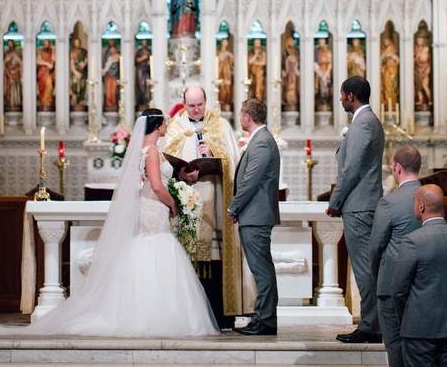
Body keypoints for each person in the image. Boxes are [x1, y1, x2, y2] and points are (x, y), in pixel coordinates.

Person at [23, 109, 219, 337]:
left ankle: (139, 312)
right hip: (154, 208)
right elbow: (156, 186)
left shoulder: (140, 151)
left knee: (145, 252)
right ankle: (155, 316)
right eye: (164, 123)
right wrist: (173, 203)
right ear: (158, 126)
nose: (166, 126)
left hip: (147, 207)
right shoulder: (152, 151)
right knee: (157, 252)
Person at [163, 85, 255, 329]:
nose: (195, 110)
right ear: (183, 103)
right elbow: (165, 161)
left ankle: (220, 315)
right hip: (186, 201)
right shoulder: (174, 126)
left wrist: (214, 153)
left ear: (206, 101)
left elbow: (234, 160)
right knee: (189, 259)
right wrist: (182, 170)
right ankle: (188, 316)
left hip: (214, 200)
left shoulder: (220, 125)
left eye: (199, 105)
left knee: (215, 257)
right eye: (191, 105)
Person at [327, 75, 384, 344]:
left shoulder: (363, 123)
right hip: (362, 204)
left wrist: (335, 201)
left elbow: (352, 168)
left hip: (360, 206)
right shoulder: (365, 121)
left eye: (341, 94)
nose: (339, 99)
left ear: (351, 96)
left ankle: (372, 326)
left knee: (364, 268)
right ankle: (375, 324)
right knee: (366, 267)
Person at [392, 184, 447, 367]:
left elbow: (398, 289)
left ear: (421, 207)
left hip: (418, 329)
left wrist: (406, 319)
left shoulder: (412, 240)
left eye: (414, 203)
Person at [226, 98, 280, 336]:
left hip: (256, 216)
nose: (240, 118)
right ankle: (261, 316)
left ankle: (266, 320)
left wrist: (233, 208)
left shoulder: (261, 143)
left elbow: (250, 181)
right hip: (254, 215)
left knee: (262, 269)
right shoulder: (260, 140)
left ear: (247, 117)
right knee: (260, 269)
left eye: (241, 114)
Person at [369, 146, 422, 367]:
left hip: (391, 283)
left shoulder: (389, 202)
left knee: (395, 344)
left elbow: (375, 247)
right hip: (421, 284)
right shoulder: (431, 197)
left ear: (397, 168)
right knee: (418, 345)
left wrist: (378, 276)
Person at [216, 37, 234, 110]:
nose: (225, 43)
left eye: (226, 42)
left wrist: (229, 56)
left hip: (227, 73)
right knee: (221, 88)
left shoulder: (229, 53)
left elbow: (232, 62)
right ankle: (221, 102)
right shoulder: (218, 52)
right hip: (220, 73)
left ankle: (226, 102)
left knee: (227, 89)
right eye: (223, 42)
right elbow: (216, 61)